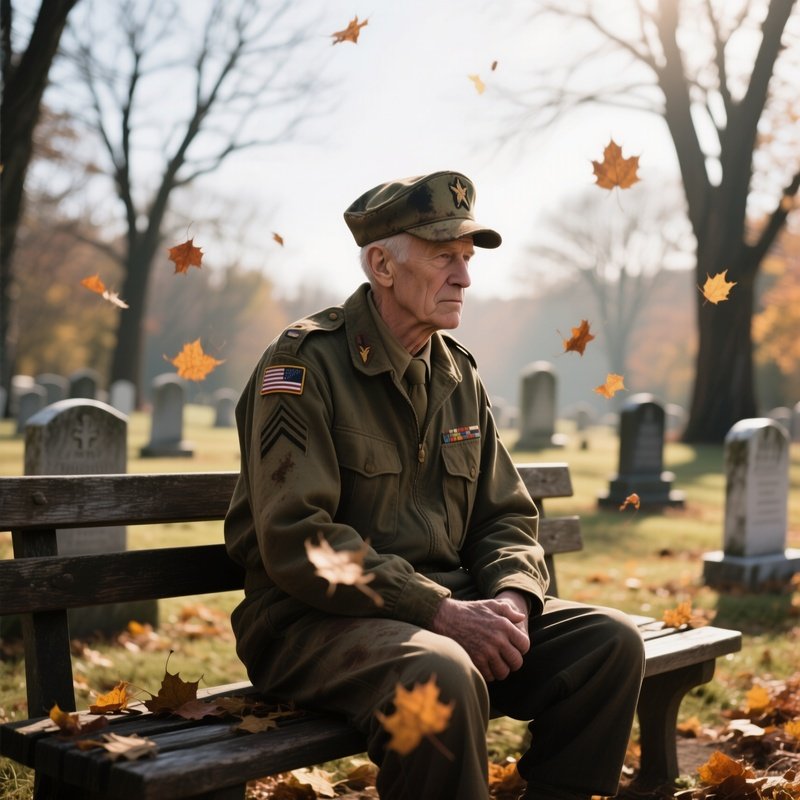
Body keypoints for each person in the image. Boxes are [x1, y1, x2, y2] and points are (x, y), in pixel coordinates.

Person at [224, 170, 645, 800]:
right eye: (445, 256)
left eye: (468, 258)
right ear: (382, 265)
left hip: (448, 613)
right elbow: (301, 540)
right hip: (311, 624)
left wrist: (512, 599)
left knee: (609, 643)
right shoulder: (302, 365)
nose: (465, 277)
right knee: (439, 675)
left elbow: (504, 515)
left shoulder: (458, 374)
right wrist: (438, 610)